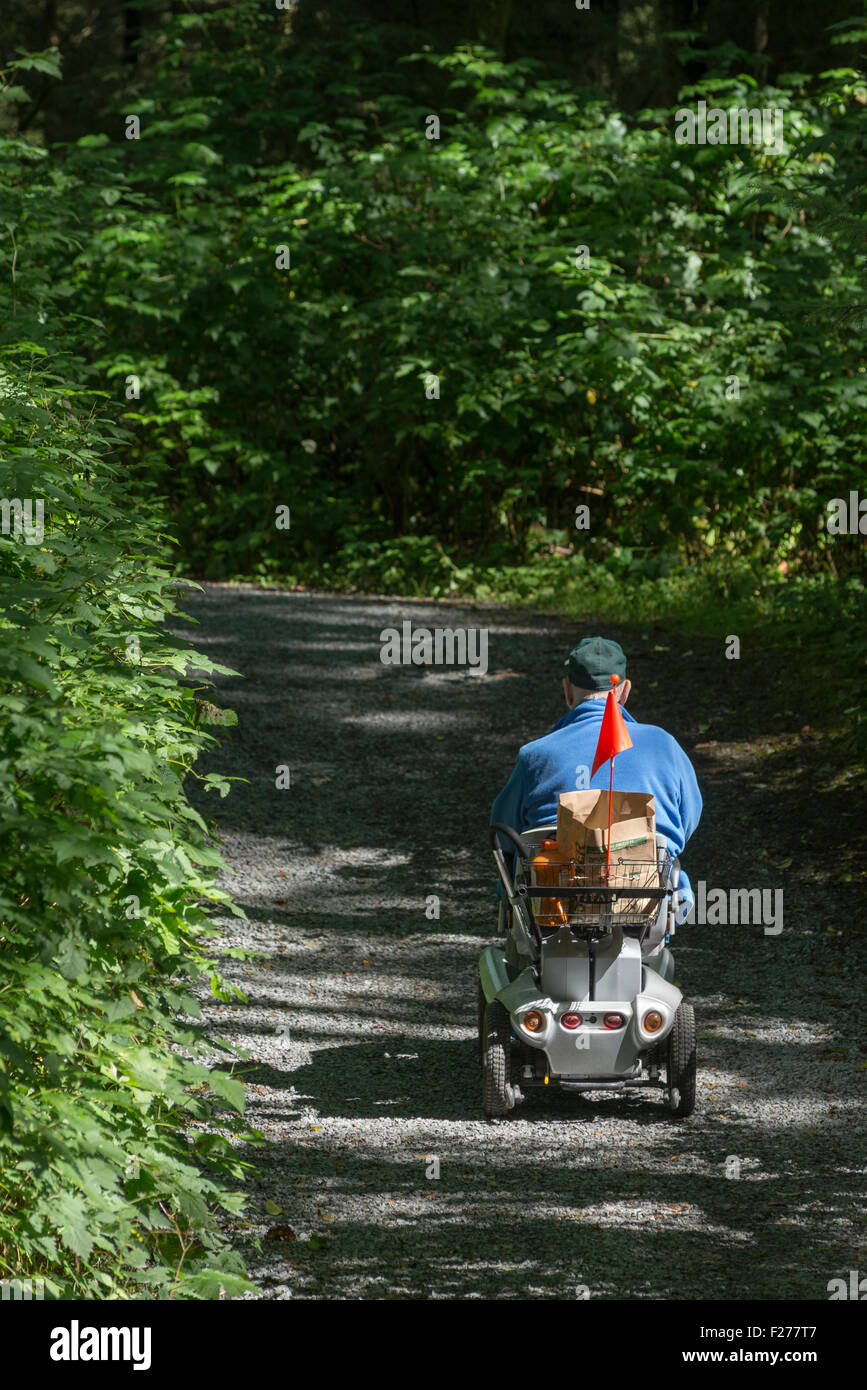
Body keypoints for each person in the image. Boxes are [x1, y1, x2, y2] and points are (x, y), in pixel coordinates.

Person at [490, 635, 702, 926]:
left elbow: (505, 837)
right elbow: (687, 822)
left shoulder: (534, 756)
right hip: (644, 909)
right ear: (624, 692)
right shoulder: (664, 745)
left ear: (567, 691)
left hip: (549, 912)